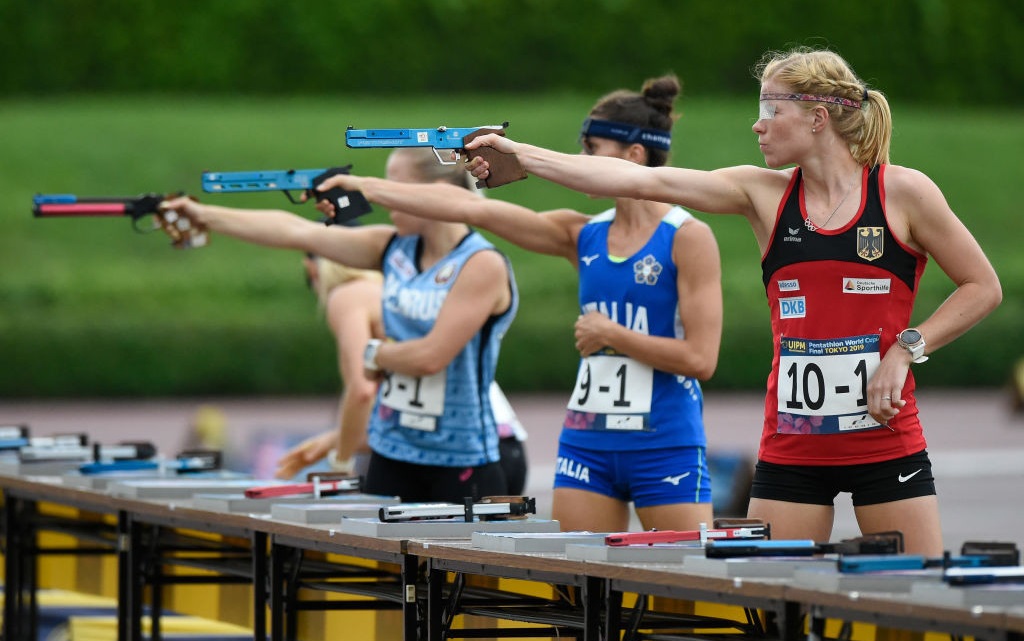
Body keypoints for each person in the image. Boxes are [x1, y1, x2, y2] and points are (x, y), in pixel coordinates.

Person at [459, 48, 1002, 554]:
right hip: (792, 448)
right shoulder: (761, 193)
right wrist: (522, 156)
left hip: (885, 440)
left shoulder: (904, 193)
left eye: (771, 108)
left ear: (818, 117)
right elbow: (639, 179)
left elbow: (982, 286)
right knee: (773, 609)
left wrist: (907, 349)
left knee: (910, 611)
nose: (757, 123)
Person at [316, 74, 723, 533]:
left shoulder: (688, 237)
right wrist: (366, 188)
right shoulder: (581, 232)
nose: (580, 161)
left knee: (681, 589)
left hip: (663, 442)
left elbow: (701, 359)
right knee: (575, 587)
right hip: (587, 442)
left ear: (635, 155)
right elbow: (474, 210)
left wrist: (613, 335)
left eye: (592, 149)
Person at [161, 147, 519, 503]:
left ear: (440, 191)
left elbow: (430, 357)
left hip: (464, 459)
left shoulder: (481, 263)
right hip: (393, 453)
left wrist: (372, 353)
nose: (384, 199)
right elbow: (295, 232)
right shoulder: (392, 248)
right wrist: (203, 215)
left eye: (396, 187)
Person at [274, 254, 530, 491]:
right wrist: (335, 440)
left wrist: (340, 462)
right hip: (501, 446)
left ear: (312, 269)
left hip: (460, 454)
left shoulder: (347, 296)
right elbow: (406, 418)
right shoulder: (397, 289)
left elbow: (361, 391)